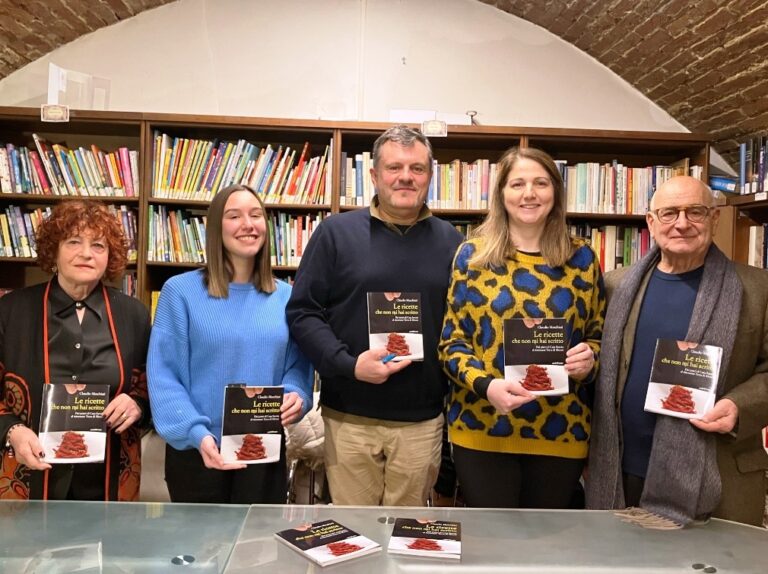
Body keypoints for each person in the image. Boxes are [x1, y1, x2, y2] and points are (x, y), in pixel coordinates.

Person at [286, 125, 464, 506]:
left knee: (406, 537)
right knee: (354, 536)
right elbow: (303, 313)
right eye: (394, 167)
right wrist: (348, 365)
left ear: (430, 176)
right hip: (349, 417)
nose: (405, 177)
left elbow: (463, 324)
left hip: (422, 421)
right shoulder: (335, 233)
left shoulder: (452, 241)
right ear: (374, 175)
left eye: (417, 169)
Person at [586, 176, 768, 527]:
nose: (682, 223)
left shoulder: (759, 288)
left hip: (715, 477)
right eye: (669, 213)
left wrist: (739, 406)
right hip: (622, 471)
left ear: (714, 218)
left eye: (695, 212)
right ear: (651, 223)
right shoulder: (614, 285)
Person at [438, 146, 606, 509]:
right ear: (501, 194)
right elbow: (451, 343)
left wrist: (590, 359)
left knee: (546, 549)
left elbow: (600, 336)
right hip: (483, 426)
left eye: (540, 183)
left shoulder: (582, 258)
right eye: (517, 184)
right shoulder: (472, 256)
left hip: (561, 430)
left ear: (555, 192)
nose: (529, 193)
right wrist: (488, 386)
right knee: (494, 548)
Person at [147, 184, 313, 504]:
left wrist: (297, 393)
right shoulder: (179, 292)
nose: (247, 224)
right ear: (215, 229)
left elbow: (297, 363)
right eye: (234, 216)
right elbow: (164, 376)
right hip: (198, 453)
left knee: (259, 550)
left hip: (264, 451)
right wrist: (197, 434)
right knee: (199, 551)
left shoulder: (286, 297)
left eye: (256, 215)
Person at [0, 200, 150, 501]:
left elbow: (153, 386)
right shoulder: (11, 310)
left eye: (98, 245)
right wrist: (11, 429)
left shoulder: (133, 314)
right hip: (26, 477)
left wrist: (137, 405)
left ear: (110, 256)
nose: (86, 253)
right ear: (53, 250)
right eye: (73, 242)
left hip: (109, 482)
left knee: (110, 549)